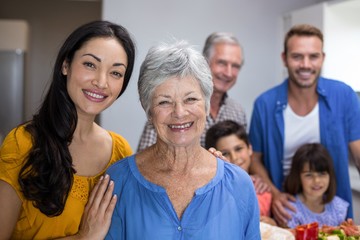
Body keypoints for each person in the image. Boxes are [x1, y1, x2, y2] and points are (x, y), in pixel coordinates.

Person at [105, 40, 260, 239]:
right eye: (164, 102)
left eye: (190, 99)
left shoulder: (239, 184)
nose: (179, 113)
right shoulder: (117, 182)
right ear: (149, 111)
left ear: (205, 105)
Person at [0, 20, 135, 239]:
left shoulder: (120, 151)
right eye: (90, 64)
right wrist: (83, 237)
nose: (101, 82)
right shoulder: (23, 143)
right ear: (65, 65)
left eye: (116, 73)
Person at [248, 23, 360, 226]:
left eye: (313, 56)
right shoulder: (264, 104)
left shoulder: (344, 95)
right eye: (297, 56)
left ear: (322, 58)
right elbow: (254, 158)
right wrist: (276, 194)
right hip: (287, 212)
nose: (306, 64)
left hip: (333, 210)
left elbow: (358, 152)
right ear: (284, 58)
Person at [137, 32, 247, 151]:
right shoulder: (165, 114)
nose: (228, 73)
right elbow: (146, 163)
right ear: (204, 62)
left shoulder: (237, 111)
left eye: (235, 66)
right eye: (221, 63)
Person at [205, 120, 275, 225]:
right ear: (215, 156)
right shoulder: (213, 193)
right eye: (225, 153)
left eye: (238, 149)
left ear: (250, 148)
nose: (234, 158)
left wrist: (271, 223)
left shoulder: (262, 188)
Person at [284, 143, 349, 228]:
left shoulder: (338, 207)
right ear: (298, 177)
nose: (316, 180)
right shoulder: (291, 210)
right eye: (309, 175)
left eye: (322, 174)